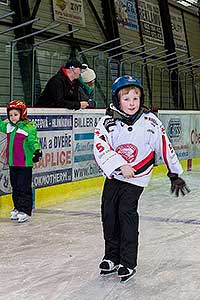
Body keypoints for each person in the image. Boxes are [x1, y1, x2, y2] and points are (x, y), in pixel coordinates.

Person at [93, 75, 190, 283]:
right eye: (126, 99)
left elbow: (164, 145)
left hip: (137, 177)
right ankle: (111, 256)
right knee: (109, 213)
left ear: (141, 99)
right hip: (115, 175)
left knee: (125, 212)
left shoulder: (150, 121)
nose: (131, 103)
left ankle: (127, 262)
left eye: (135, 99)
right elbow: (100, 146)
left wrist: (174, 173)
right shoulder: (107, 121)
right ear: (117, 100)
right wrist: (119, 164)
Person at [0, 100, 42, 223]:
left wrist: (37, 151)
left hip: (24, 164)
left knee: (24, 187)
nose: (13, 117)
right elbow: (1, 125)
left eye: (15, 114)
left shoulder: (28, 128)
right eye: (11, 115)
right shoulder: (8, 127)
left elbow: (33, 142)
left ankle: (25, 210)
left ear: (22, 114)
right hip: (13, 163)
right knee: (15, 187)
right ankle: (17, 207)